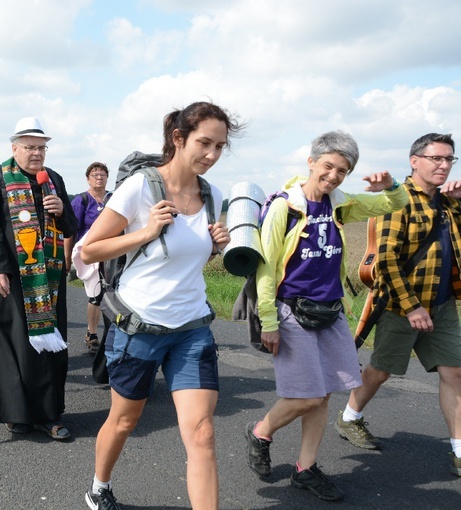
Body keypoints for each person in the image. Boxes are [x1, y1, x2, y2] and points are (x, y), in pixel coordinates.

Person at [80, 101, 237, 510]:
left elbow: (187, 261)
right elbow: (88, 250)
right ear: (178, 138)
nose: (212, 155)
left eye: (220, 147)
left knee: (202, 433)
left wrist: (216, 248)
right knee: (125, 420)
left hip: (191, 328)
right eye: (205, 143)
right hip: (140, 328)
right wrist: (146, 231)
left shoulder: (212, 195)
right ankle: (99, 485)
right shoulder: (140, 188)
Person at [244, 131, 408, 501]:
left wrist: (392, 185)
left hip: (331, 311)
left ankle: (305, 468)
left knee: (325, 394)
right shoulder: (285, 206)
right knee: (306, 396)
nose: (334, 176)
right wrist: (268, 321)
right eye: (329, 166)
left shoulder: (341, 204)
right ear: (312, 162)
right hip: (291, 312)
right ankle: (260, 432)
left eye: (343, 171)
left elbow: (391, 205)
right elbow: (266, 268)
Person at [335, 133, 461, 476]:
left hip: (443, 303)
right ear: (415, 160)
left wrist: (460, 204)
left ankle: (459, 450)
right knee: (381, 370)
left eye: (450, 159)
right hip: (401, 305)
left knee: (455, 373)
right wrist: (412, 307)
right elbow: (386, 260)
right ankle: (349, 418)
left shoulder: (447, 203)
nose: (444, 165)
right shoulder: (400, 201)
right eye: (436, 158)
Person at [0, 117, 78, 439]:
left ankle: (49, 414)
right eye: (30, 147)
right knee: (13, 345)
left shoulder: (54, 179)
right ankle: (16, 413)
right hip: (8, 278)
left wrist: (62, 210)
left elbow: (71, 228)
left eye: (41, 148)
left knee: (48, 348)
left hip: (47, 280)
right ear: (14, 148)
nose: (37, 154)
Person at [64, 162, 111, 353]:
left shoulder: (114, 199)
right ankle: (92, 333)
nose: (99, 178)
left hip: (112, 253)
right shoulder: (81, 200)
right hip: (90, 254)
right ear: (87, 179)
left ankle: (114, 333)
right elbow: (70, 231)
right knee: (96, 295)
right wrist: (67, 258)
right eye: (95, 175)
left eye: (102, 174)